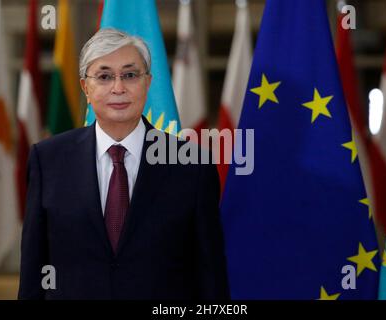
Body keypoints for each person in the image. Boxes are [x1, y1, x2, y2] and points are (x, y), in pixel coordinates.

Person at [18, 28, 229, 300]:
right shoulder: (47, 160)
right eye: (104, 76)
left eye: (130, 75)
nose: (118, 88)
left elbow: (210, 274)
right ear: (86, 87)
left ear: (148, 82)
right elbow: (34, 267)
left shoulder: (193, 165)